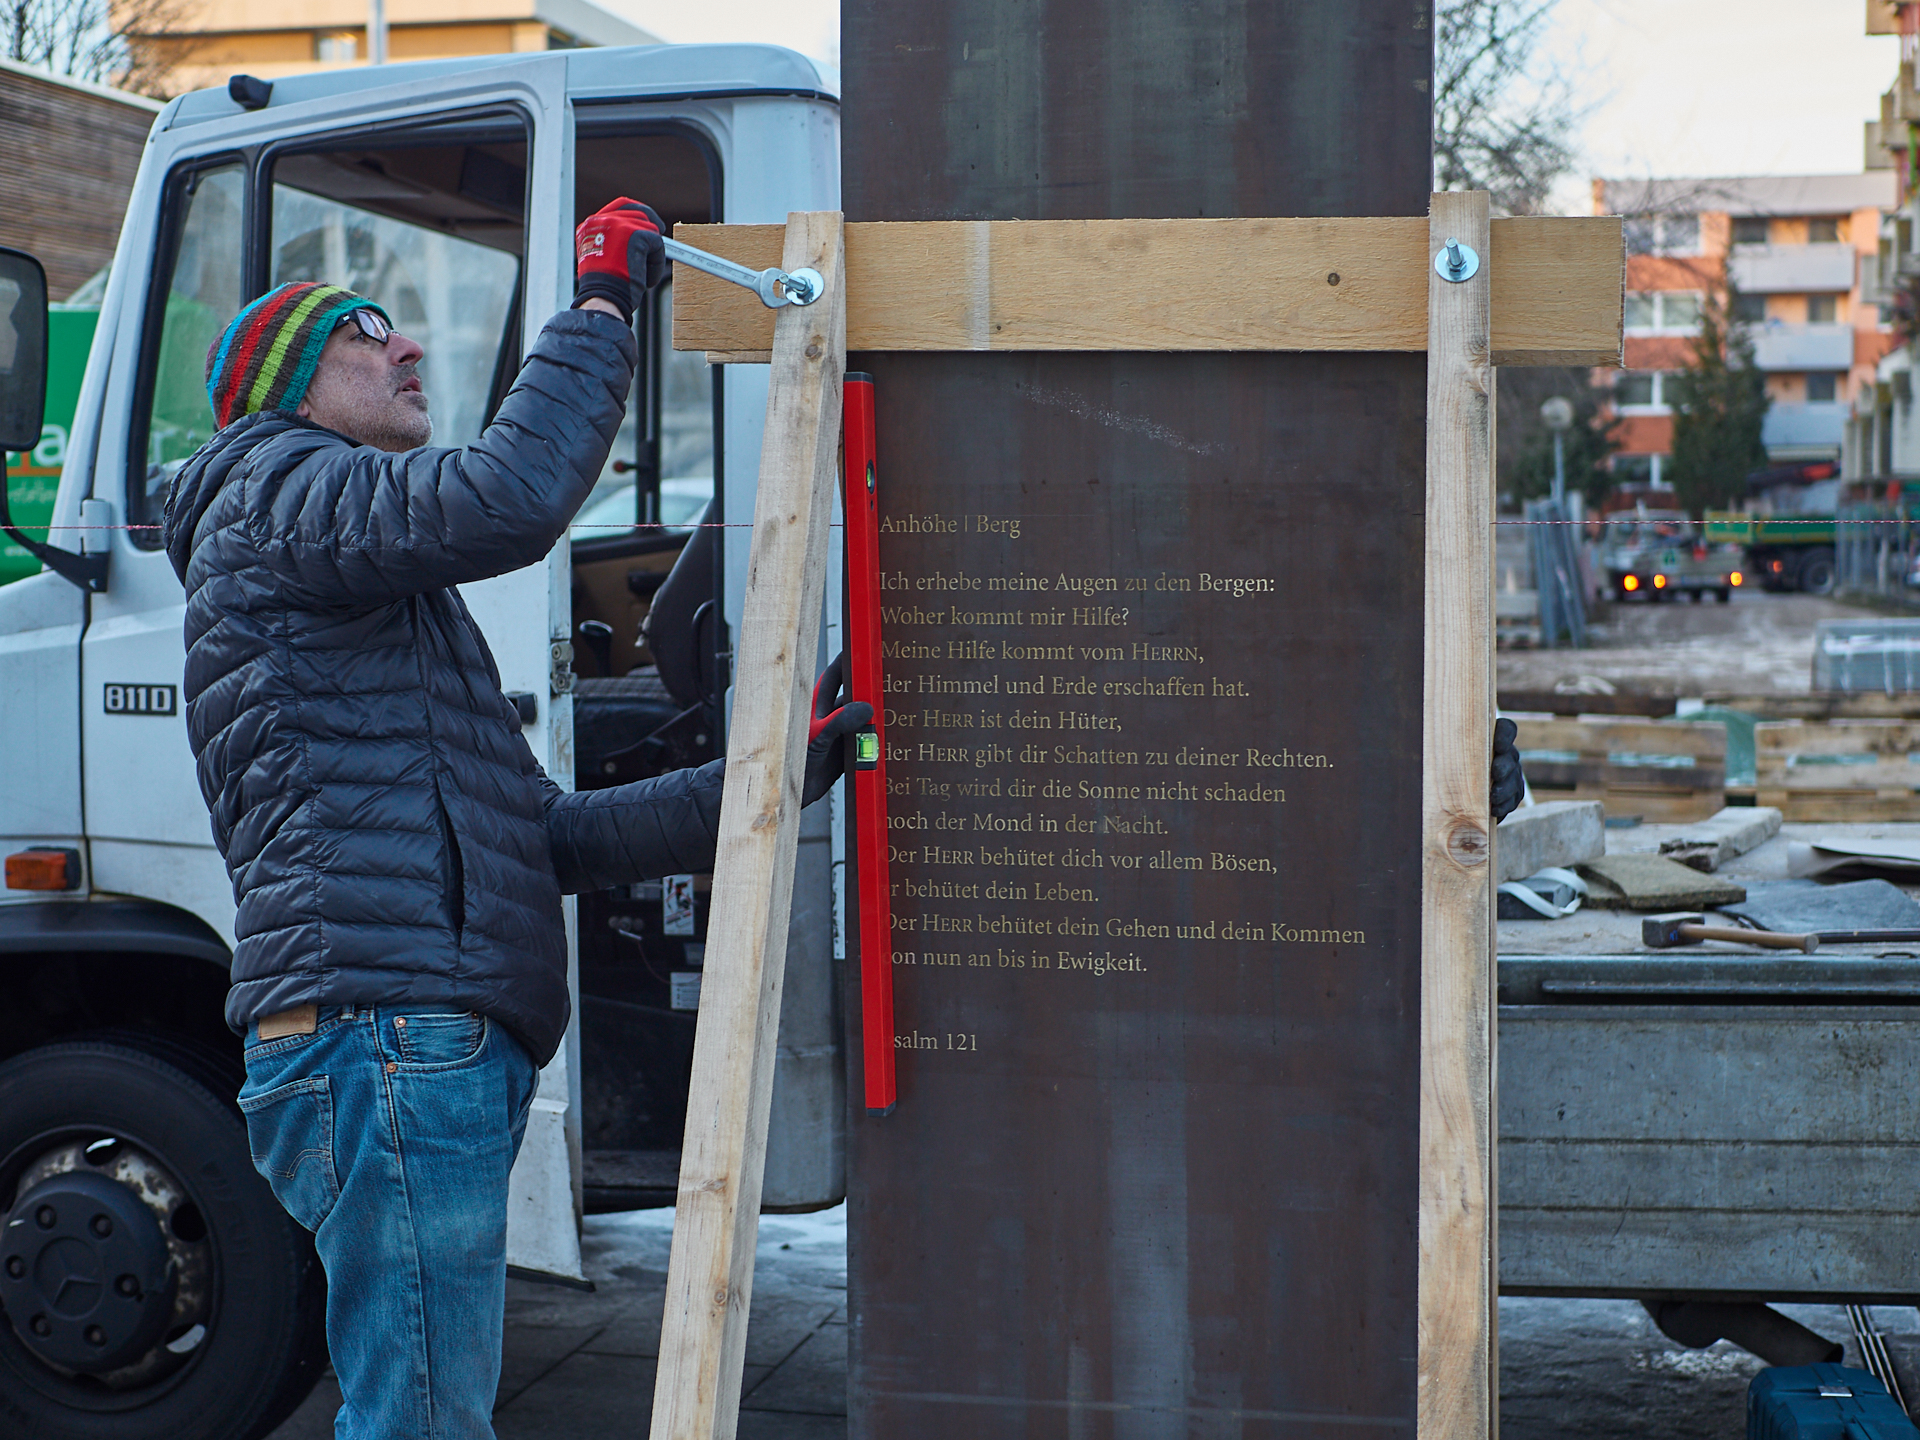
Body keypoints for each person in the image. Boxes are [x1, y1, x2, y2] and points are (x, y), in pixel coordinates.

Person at [162, 199, 870, 1440]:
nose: (410, 351)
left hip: (408, 1042)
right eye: (369, 335)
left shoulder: (374, 605)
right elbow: (509, 495)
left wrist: (771, 775)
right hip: (387, 1037)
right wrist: (600, 309)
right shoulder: (275, 487)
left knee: (419, 1412)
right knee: (425, 1422)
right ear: (288, 391)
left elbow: (549, 838)